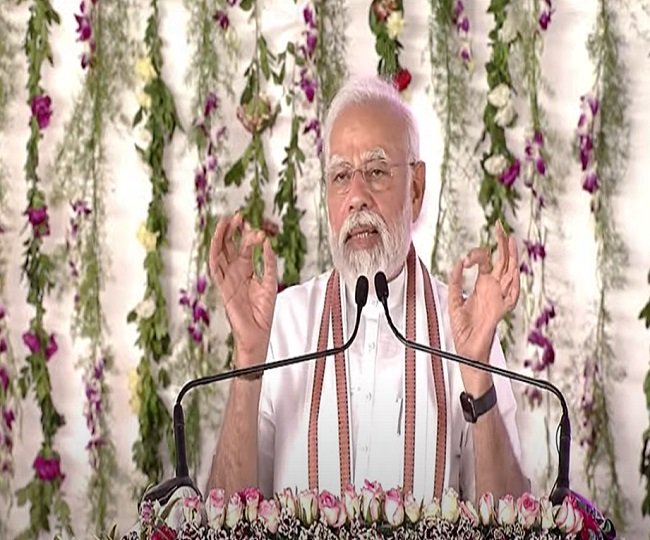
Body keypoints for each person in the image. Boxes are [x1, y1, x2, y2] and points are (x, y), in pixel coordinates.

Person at [207, 76, 529, 503]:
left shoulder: (465, 332)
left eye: (376, 172)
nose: (356, 196)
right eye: (341, 176)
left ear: (416, 190)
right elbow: (224, 518)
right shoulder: (284, 323)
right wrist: (248, 361)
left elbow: (513, 521)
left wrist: (477, 376)